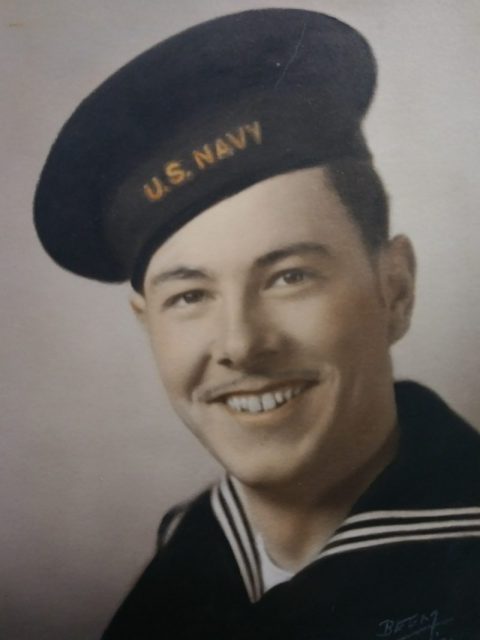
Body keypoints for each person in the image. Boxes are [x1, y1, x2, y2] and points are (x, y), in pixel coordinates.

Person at [33, 8, 480, 639]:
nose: (241, 344)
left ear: (395, 289)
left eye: (289, 276)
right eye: (189, 296)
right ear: (147, 324)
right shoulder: (184, 564)